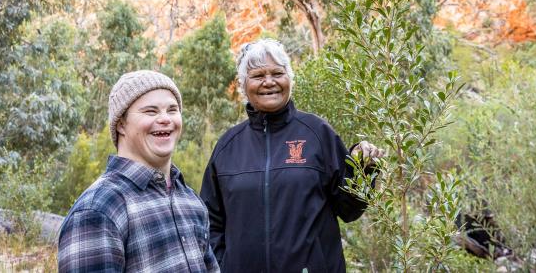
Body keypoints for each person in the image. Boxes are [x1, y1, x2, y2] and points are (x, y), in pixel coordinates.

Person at [200, 39, 385, 273]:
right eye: (258, 76)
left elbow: (350, 209)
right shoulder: (228, 146)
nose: (269, 82)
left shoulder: (317, 133)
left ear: (289, 78)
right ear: (244, 84)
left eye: (277, 73)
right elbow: (209, 222)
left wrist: (363, 169)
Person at [58, 70, 219, 272]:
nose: (165, 119)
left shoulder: (190, 200)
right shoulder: (97, 210)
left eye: (172, 110)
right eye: (151, 111)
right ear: (121, 124)